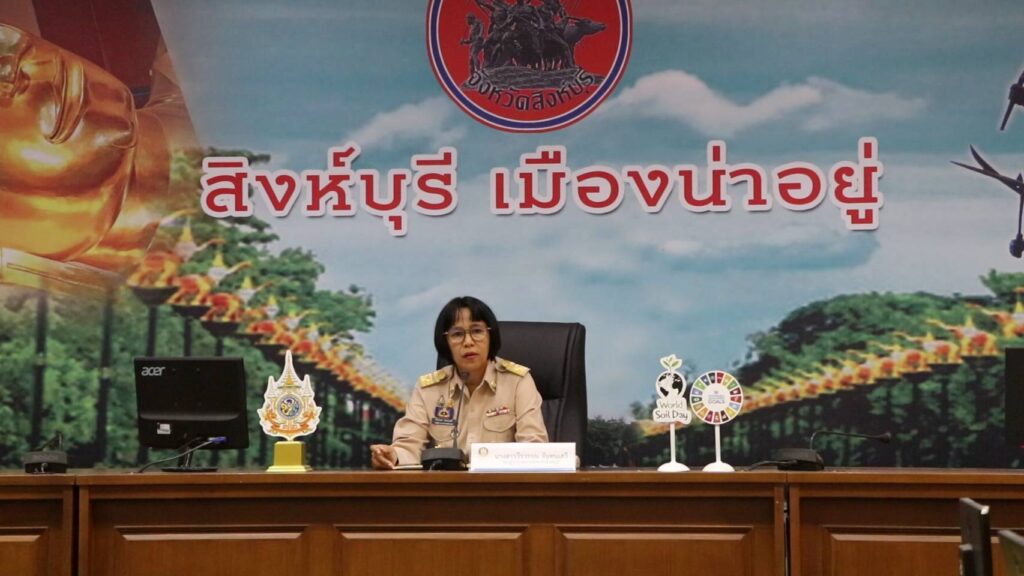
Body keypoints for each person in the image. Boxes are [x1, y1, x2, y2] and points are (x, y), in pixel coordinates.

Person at [370, 296, 548, 469]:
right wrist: (393, 455)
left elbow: (533, 448)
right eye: (457, 334)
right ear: (445, 342)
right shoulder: (429, 389)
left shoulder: (517, 382)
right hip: (446, 487)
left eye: (477, 331)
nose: (468, 342)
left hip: (502, 485)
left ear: (490, 336)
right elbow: (409, 445)